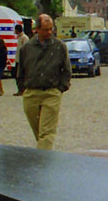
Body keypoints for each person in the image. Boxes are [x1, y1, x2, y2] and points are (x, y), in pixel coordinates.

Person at [16, 14, 71, 150]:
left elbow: (66, 69)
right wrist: (22, 88)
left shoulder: (59, 47)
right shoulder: (27, 48)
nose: (49, 33)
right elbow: (21, 69)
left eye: (51, 29)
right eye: (46, 29)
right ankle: (44, 152)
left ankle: (43, 161)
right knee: (39, 131)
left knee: (47, 132)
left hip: (51, 93)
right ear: (37, 29)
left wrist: (61, 88)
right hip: (31, 93)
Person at [12, 24, 29, 96]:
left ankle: (22, 90)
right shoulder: (19, 38)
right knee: (17, 75)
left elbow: (25, 49)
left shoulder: (24, 38)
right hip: (18, 59)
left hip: (22, 60)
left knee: (20, 76)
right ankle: (20, 89)